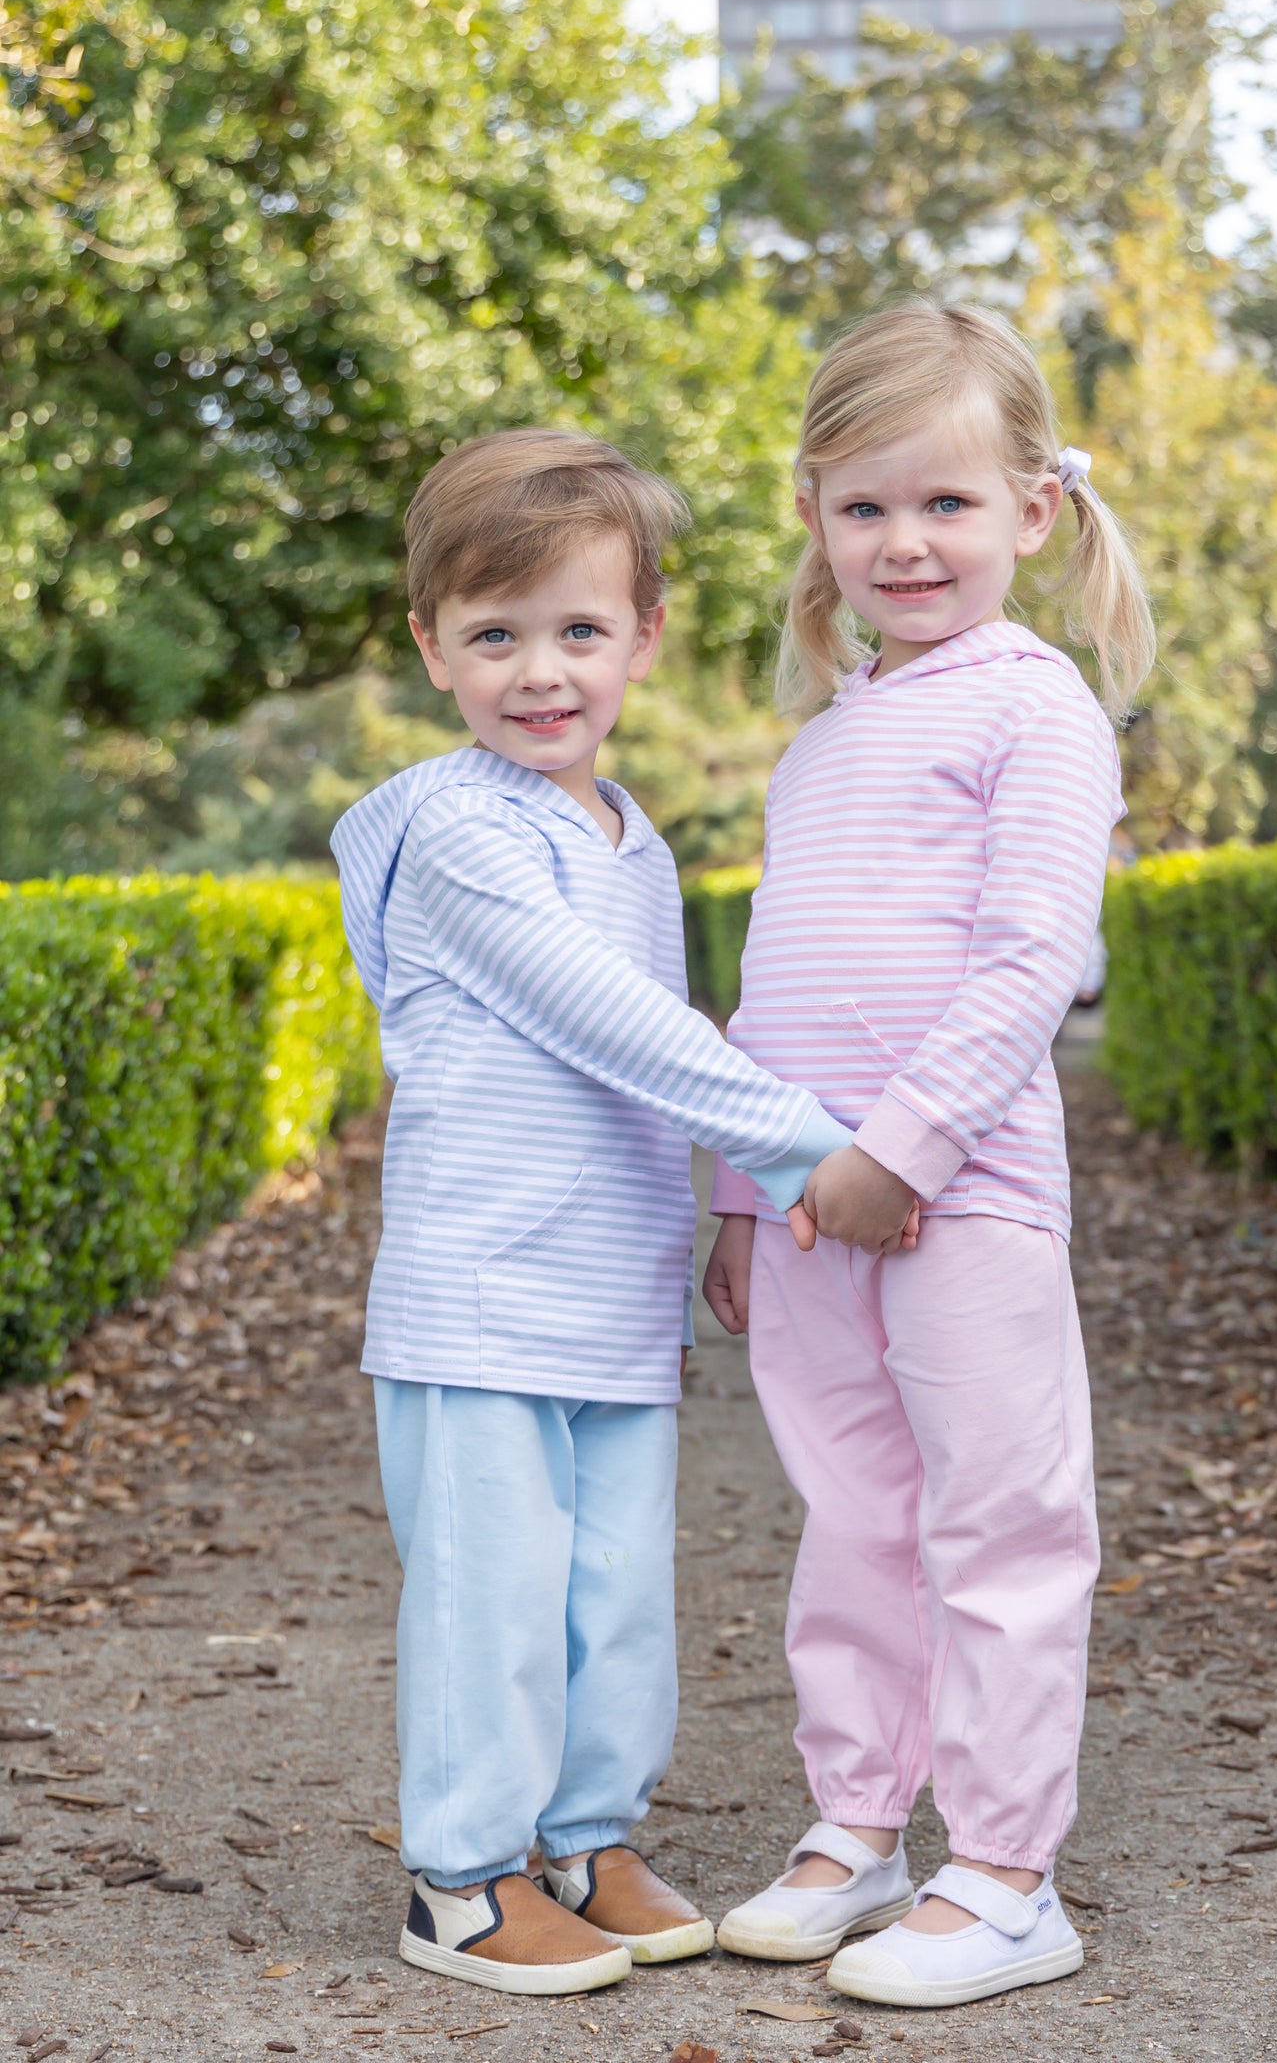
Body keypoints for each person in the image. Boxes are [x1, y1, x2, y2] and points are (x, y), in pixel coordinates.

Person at [330, 429, 891, 1998]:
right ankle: (462, 1876)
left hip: (609, 1292)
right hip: (481, 1296)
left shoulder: (629, 836)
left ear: (643, 634)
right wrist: (809, 1155)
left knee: (614, 1596)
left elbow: (670, 1038)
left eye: (578, 629)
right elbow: (616, 1025)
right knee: (491, 1599)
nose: (539, 672)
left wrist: (733, 1198)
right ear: (431, 645)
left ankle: (585, 1840)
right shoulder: (459, 831)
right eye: (493, 635)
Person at [702, 302, 1155, 2010]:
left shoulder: (1037, 709)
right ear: (813, 516)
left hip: (961, 1196)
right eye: (866, 506)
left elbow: (1032, 960)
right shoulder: (822, 737)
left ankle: (1008, 1874)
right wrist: (745, 1193)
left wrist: (899, 1152)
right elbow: (774, 992)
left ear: (1032, 511)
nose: (904, 542)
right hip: (809, 1213)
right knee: (853, 1520)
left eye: (946, 503)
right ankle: (858, 1827)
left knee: (999, 1524)